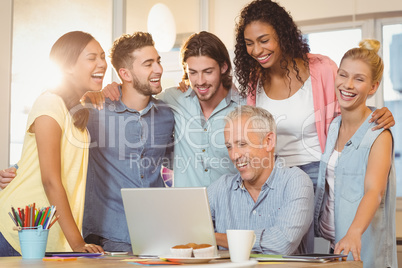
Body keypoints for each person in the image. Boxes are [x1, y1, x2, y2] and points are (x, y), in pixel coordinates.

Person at [234, 0, 395, 190]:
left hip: (317, 173)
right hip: (273, 176)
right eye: (249, 43)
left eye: (264, 40)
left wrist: (375, 114)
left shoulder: (322, 68)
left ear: (282, 35)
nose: (257, 50)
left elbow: (350, 103)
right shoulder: (254, 80)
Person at [0, 31, 106, 255]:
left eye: (102, 56)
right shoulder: (49, 103)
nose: (102, 63)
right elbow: (49, 180)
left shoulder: (74, 109)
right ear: (67, 65)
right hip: (18, 229)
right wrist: (78, 244)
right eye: (92, 58)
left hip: (48, 231)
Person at [101, 31, 244, 187]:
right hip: (185, 209)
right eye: (193, 73)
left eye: (208, 72)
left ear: (223, 67)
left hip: (229, 208)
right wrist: (114, 88)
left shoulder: (244, 107)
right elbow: (138, 95)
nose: (201, 81)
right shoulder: (173, 99)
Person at [82, 32, 174, 252]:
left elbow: (173, 163)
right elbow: (63, 149)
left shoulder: (167, 115)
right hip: (111, 237)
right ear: (125, 73)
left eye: (158, 61)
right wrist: (18, 169)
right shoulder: (95, 111)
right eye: (148, 64)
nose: (159, 69)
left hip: (158, 234)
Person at [314, 39, 397, 267]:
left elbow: (374, 191)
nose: (348, 84)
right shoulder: (333, 127)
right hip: (328, 246)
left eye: (359, 79)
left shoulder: (379, 134)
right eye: (343, 75)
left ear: (373, 87)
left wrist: (354, 232)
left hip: (359, 245)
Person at [208, 105, 314, 254]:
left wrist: (212, 237)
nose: (234, 155)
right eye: (229, 147)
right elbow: (187, 231)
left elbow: (281, 244)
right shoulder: (221, 188)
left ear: (269, 141)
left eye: (242, 144)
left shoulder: (296, 183)